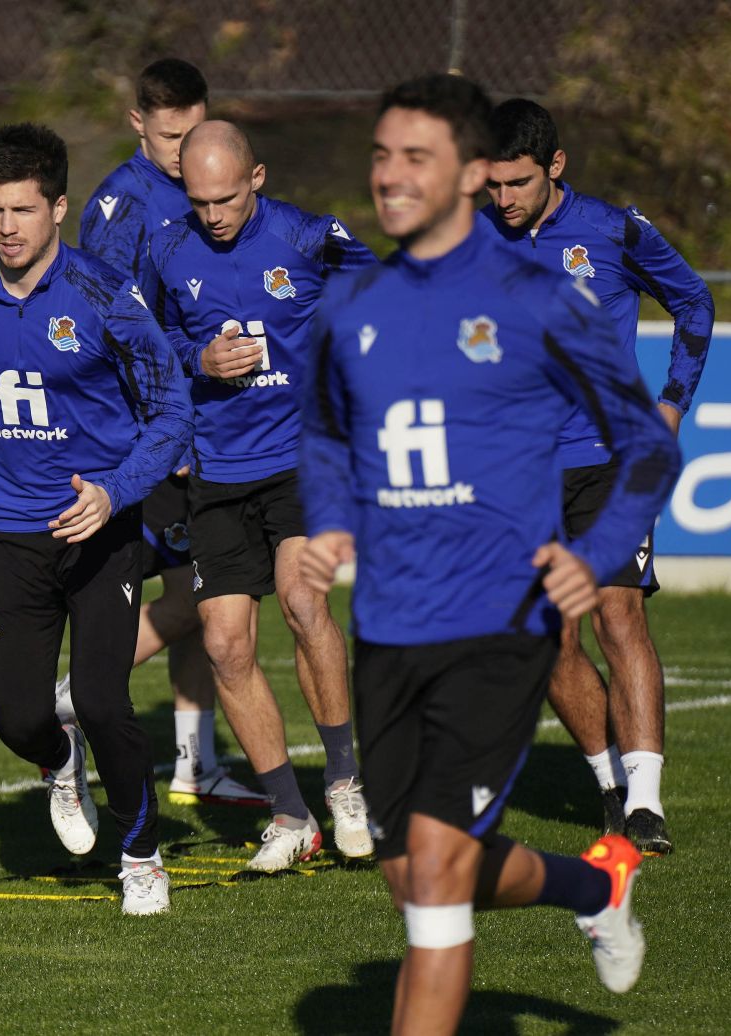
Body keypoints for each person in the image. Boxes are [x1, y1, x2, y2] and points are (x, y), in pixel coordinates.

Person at [298, 74, 681, 1035]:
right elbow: (327, 435)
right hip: (389, 626)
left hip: (497, 625)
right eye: (381, 154)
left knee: (432, 878)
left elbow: (647, 445)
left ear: (471, 173)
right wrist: (332, 521)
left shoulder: (540, 299)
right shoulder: (354, 306)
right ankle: (592, 890)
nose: (390, 176)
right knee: (415, 871)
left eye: (415, 157)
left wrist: (592, 553)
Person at [0, 122, 193, 916]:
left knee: (101, 700)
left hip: (99, 532)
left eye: (23, 209)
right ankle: (61, 765)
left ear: (58, 207)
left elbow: (170, 409)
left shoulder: (102, 294)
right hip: (8, 532)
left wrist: (115, 493)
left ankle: (141, 852)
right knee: (21, 718)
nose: (7, 228)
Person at [479, 98, 714, 855]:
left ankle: (646, 805)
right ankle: (610, 787)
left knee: (620, 616)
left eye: (517, 183)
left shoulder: (615, 231)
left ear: (555, 167)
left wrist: (673, 403)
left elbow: (694, 303)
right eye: (492, 185)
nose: (504, 200)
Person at [142, 120, 377, 871]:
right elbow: (146, 344)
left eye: (226, 198)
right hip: (215, 470)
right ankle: (290, 814)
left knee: (306, 604)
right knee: (224, 643)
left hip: (304, 459)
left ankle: (344, 783)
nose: (212, 214)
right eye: (199, 199)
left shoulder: (310, 239)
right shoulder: (167, 247)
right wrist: (197, 359)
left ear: (258, 179)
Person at [71, 57, 265, 808]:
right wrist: (165, 435)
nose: (186, 152)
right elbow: (109, 330)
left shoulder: (196, 185)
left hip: (200, 425)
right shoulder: (122, 207)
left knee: (200, 597)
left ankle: (194, 763)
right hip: (150, 437)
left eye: (195, 133)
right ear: (137, 125)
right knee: (194, 599)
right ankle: (67, 700)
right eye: (170, 137)